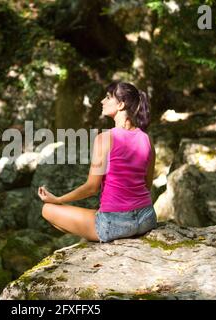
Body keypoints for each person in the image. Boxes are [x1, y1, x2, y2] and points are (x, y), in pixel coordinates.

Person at [37, 81, 157, 243]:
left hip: (115, 224)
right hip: (146, 219)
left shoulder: (104, 139)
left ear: (121, 104)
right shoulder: (147, 139)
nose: (102, 101)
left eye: (108, 97)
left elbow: (91, 188)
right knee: (94, 213)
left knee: (48, 209)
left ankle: (98, 234)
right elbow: (147, 185)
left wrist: (57, 199)